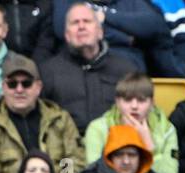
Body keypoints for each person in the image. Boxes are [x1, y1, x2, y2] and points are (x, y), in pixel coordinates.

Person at [0, 53, 82, 173]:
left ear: (38, 87)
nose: (19, 89)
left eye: (26, 83)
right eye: (12, 84)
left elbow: (71, 160)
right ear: (3, 87)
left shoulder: (60, 119)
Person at [39, 2, 135, 133]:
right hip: (66, 149)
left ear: (100, 32)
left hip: (115, 146)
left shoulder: (125, 70)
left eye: (87, 21)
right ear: (67, 36)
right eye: (75, 23)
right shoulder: (48, 72)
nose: (81, 26)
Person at [83, 71, 181, 173]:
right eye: (128, 100)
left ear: (152, 103)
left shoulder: (166, 130)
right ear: (117, 102)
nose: (134, 106)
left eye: (141, 100)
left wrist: (149, 147)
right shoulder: (98, 128)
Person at [50, 0, 180, 75]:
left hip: (127, 70)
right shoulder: (68, 1)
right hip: (79, 67)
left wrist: (107, 17)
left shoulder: (131, 2)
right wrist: (125, 37)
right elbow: (62, 29)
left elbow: (155, 26)